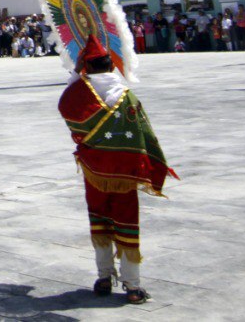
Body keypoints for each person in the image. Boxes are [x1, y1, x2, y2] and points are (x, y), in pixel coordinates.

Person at [58, 34, 177, 305]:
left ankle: (103, 277)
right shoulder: (125, 96)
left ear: (84, 67)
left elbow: (66, 104)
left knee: (98, 221)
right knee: (127, 223)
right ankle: (133, 286)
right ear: (111, 66)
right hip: (124, 173)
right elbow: (144, 132)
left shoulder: (76, 96)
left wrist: (77, 75)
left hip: (94, 171)